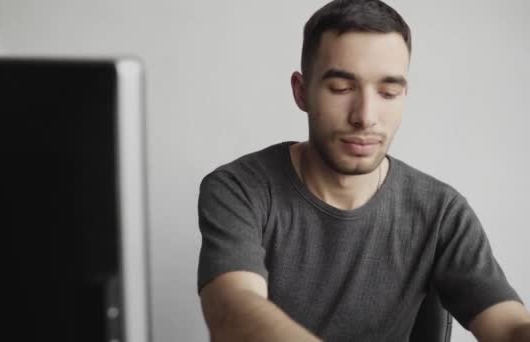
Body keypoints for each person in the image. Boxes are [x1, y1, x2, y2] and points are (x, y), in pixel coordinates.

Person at [196, 0, 530, 341]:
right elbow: (233, 309)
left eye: (388, 92)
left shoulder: (442, 212)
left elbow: (507, 325)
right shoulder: (240, 190)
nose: (365, 115)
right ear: (301, 92)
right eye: (341, 88)